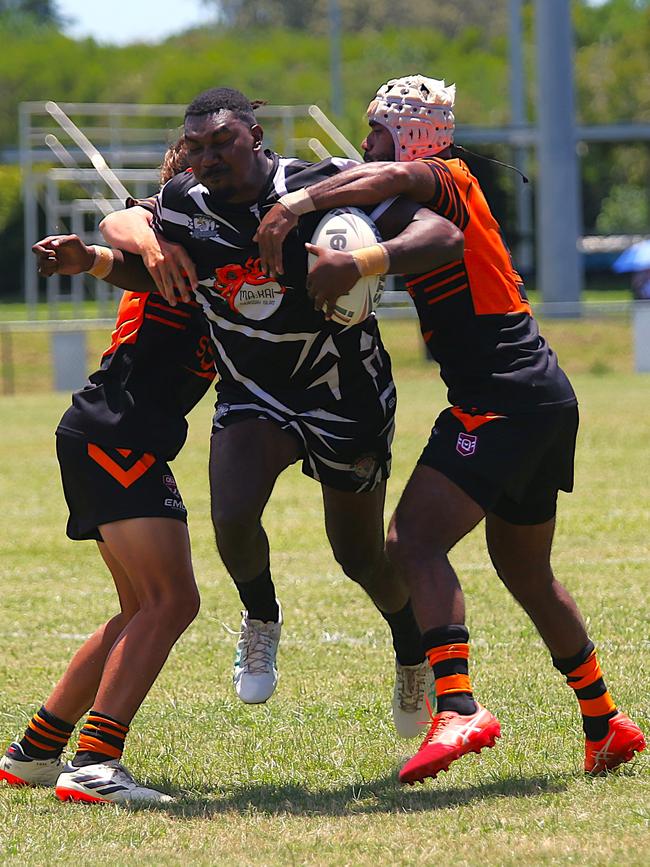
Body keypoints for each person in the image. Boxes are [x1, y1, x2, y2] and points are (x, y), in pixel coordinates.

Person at [254, 74, 646, 782]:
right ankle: (607, 721)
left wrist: (312, 212)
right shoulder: (413, 190)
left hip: (504, 395)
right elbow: (367, 180)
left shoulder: (443, 175)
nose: (366, 144)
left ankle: (459, 706)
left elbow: (402, 192)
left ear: (408, 134)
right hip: (536, 393)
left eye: (376, 130)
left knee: (411, 542)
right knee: (525, 568)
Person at [99, 86, 464, 739]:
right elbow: (119, 222)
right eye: (197, 147)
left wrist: (362, 260)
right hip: (253, 393)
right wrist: (153, 246)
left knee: (357, 554)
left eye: (222, 143)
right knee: (233, 517)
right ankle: (261, 617)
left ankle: (412, 651)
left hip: (344, 393)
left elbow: (441, 232)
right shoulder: (188, 201)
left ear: (256, 139)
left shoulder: (317, 183)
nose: (209, 157)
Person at [0, 146, 217, 804]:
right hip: (119, 434)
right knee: (172, 601)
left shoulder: (207, 246)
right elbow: (124, 229)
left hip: (114, 434)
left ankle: (37, 748)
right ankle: (95, 760)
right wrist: (101, 255)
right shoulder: (174, 240)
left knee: (141, 606)